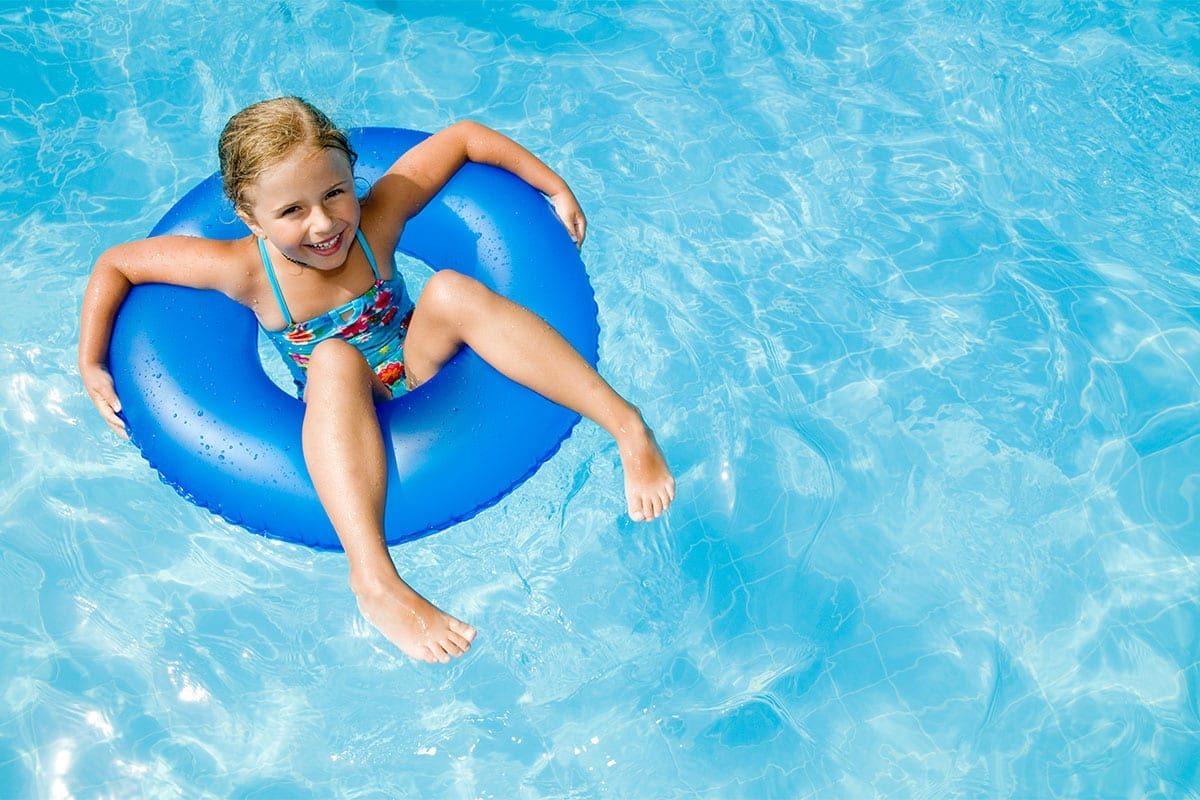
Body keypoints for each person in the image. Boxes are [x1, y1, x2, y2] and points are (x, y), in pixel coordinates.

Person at [78, 97, 675, 664]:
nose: (323, 224)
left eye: (335, 193)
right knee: (334, 358)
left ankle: (627, 425)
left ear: (352, 176)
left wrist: (555, 187)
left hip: (420, 367)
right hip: (344, 403)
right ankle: (374, 578)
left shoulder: (378, 219)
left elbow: (464, 138)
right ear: (249, 219)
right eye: (291, 211)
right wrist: (92, 361)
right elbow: (117, 263)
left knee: (450, 290)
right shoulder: (240, 271)